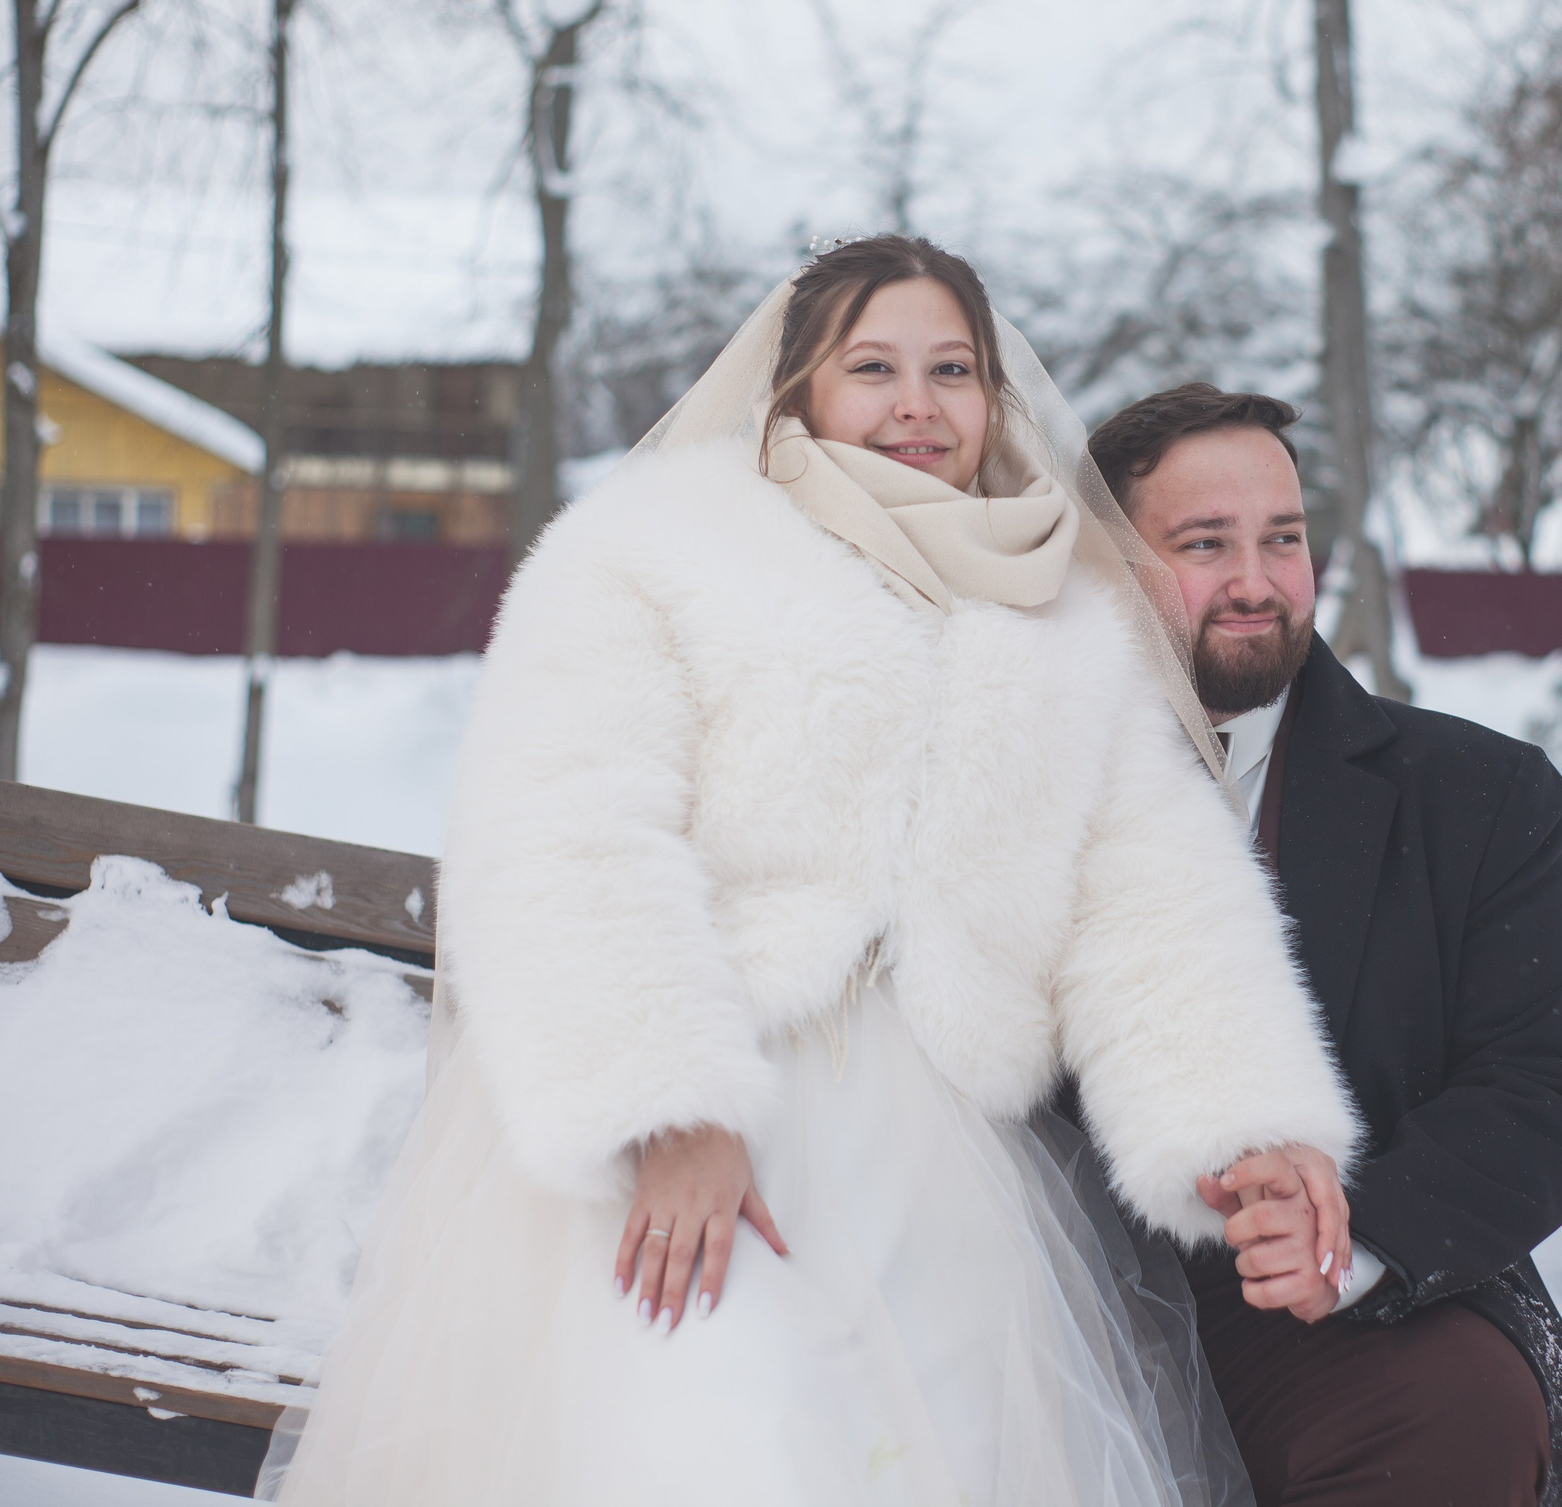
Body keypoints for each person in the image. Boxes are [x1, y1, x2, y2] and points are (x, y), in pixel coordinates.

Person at [261, 241, 1361, 1507]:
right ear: (794, 392)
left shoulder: (1059, 613)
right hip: (692, 1116)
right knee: (715, 1443)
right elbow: (561, 831)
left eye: (954, 369)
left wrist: (1243, 1126)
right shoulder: (650, 552)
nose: (918, 403)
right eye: (873, 367)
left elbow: (1147, 895)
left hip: (935, 1152)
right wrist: (667, 1116)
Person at [1088, 384, 1562, 1507]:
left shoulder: (1472, 794)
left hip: (1359, 1304)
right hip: (1064, 1296)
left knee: (1446, 1429)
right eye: (1203, 544)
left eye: (1281, 539)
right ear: (1108, 567)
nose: (1255, 581)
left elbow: (1545, 1089)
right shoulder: (1027, 790)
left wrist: (1352, 1236)